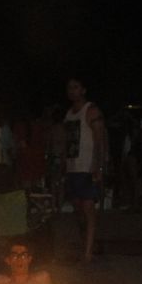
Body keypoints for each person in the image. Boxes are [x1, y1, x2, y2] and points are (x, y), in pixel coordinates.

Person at [61, 78, 107, 264]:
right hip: (73, 168)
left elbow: (99, 140)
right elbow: (67, 142)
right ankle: (88, 245)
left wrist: (98, 166)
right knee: (78, 211)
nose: (72, 91)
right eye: (69, 88)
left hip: (87, 167)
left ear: (83, 90)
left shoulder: (91, 110)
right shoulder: (69, 114)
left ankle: (88, 253)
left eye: (76, 87)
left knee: (88, 210)